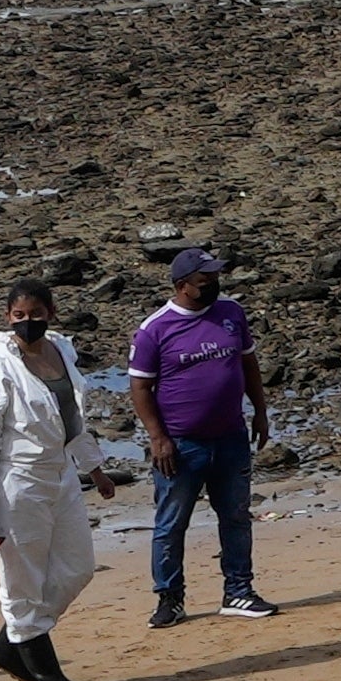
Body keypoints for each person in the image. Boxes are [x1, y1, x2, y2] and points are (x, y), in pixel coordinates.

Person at [0, 280, 104, 681]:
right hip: (17, 482)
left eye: (35, 314)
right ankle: (46, 673)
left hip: (60, 475)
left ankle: (11, 645)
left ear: (51, 313)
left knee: (78, 567)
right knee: (24, 580)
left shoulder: (62, 351)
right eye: (18, 316)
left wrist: (94, 467)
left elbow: (72, 415)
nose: (27, 323)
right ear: (7, 318)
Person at [126, 247, 275, 627]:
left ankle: (239, 591)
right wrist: (158, 438)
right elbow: (140, 388)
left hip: (230, 437)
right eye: (204, 279)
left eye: (215, 276)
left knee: (237, 516)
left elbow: (248, 363)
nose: (213, 283)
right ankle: (169, 598)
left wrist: (259, 411)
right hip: (180, 445)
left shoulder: (231, 314)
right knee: (171, 524)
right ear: (182, 286)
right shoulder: (154, 330)